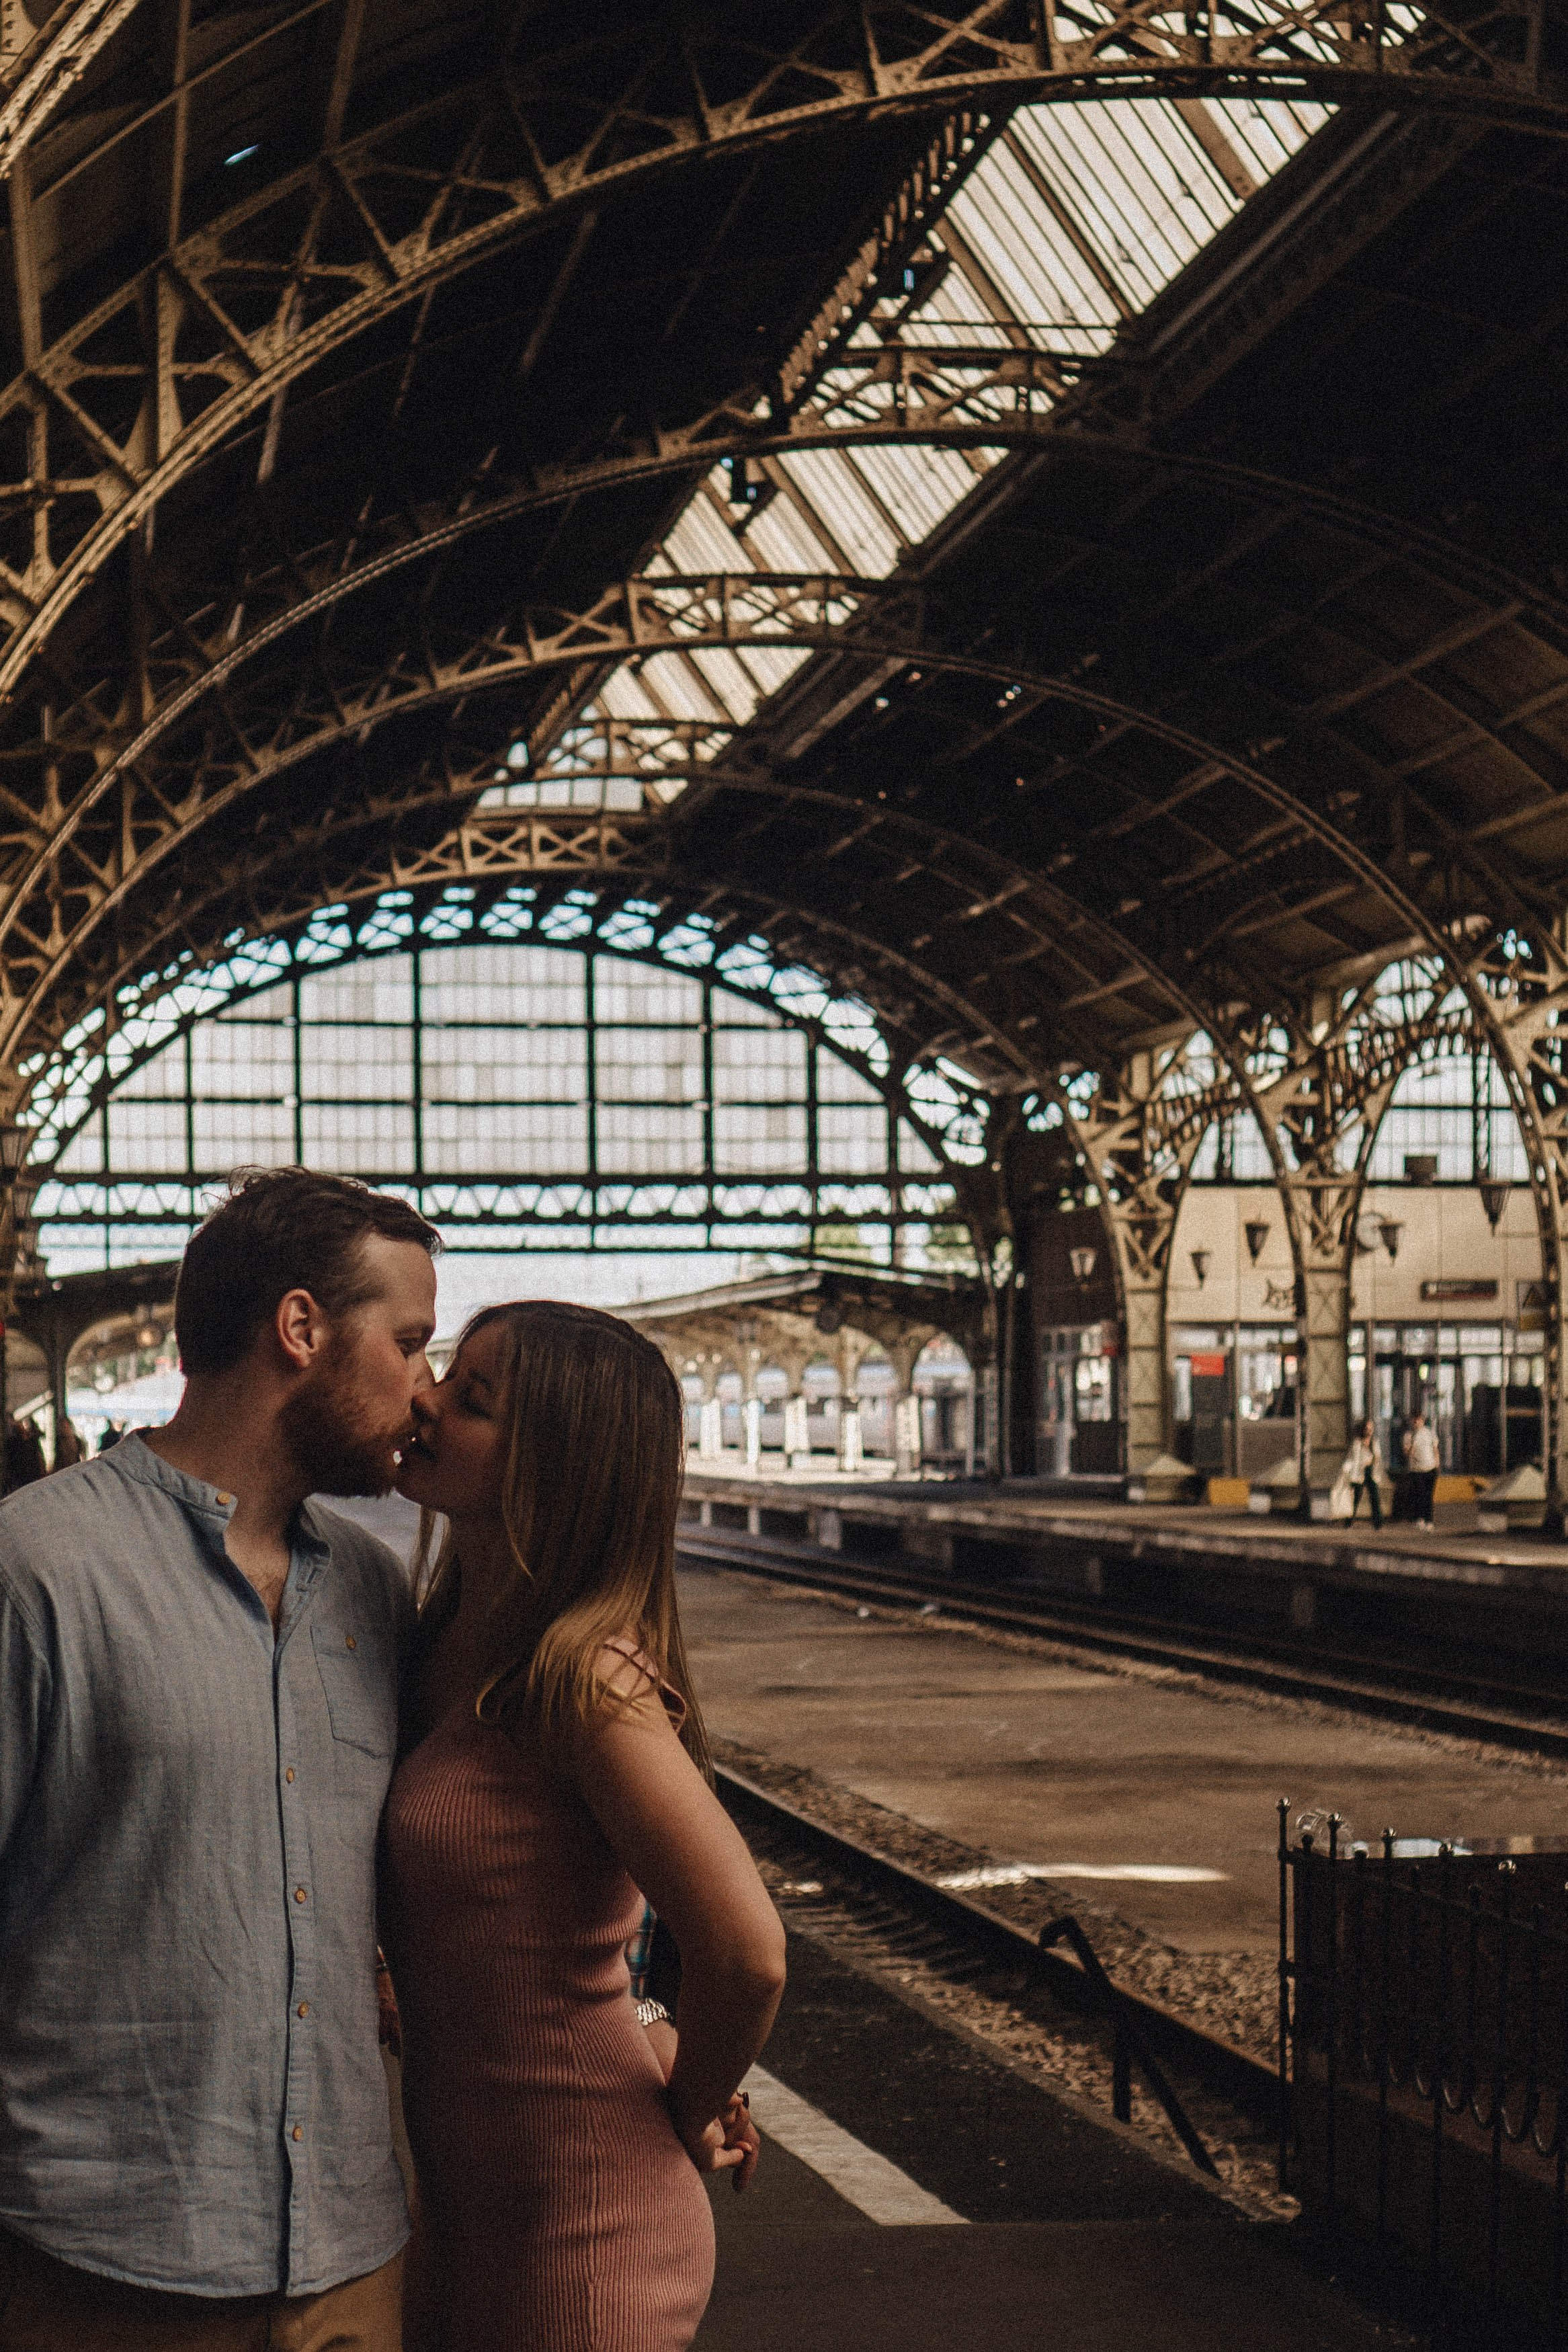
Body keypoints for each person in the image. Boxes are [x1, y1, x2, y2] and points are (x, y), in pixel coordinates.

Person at [0, 1166, 440, 2351]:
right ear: (301, 1327)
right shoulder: (35, 1567)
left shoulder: (371, 1586)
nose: (426, 1388)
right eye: (407, 1341)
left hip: (351, 2261)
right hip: (104, 2264)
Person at [382, 1301, 786, 2352]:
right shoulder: (440, 1639)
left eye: (470, 1398)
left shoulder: (586, 1678)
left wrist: (680, 2097)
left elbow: (747, 1950)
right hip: (465, 2215)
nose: (421, 1398)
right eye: (443, 1375)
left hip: (588, 2228)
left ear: (552, 1469)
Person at [1403, 1406, 1440, 1527]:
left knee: (1428, 1495)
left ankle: (1429, 1520)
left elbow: (1435, 1448)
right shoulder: (1409, 1435)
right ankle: (1420, 1518)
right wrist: (1412, 1444)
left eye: (1418, 1420)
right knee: (1419, 1494)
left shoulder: (1429, 1433)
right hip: (1416, 1469)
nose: (1416, 1423)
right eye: (1414, 1420)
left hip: (1430, 1467)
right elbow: (1407, 1452)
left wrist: (1437, 1463)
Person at [1344, 1416, 1383, 1527]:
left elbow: (1378, 1457)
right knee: (1356, 1498)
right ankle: (1349, 1520)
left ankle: (1378, 1522)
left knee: (1374, 1497)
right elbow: (1352, 1459)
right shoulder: (1357, 1443)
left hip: (1371, 1471)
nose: (1369, 1432)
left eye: (1371, 1429)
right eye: (1367, 1429)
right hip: (1359, 1473)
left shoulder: (1374, 1443)